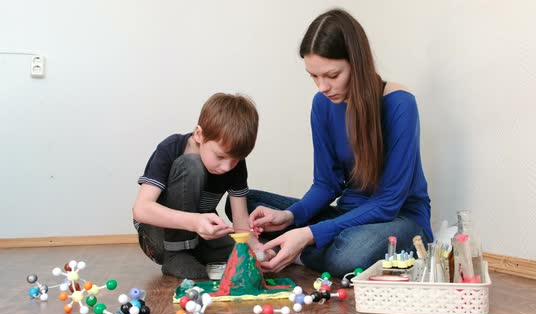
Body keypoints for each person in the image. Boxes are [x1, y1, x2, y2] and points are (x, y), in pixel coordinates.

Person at [243, 9, 432, 277]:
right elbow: (326, 184)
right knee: (246, 206)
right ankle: (300, 246)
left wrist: (308, 234)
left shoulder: (400, 104)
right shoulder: (322, 104)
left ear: (357, 64)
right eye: (313, 76)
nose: (322, 87)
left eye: (332, 76)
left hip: (400, 221)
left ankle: (294, 251)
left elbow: (388, 202)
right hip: (346, 218)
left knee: (348, 256)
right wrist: (291, 217)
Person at [132, 92, 273, 279]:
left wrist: (256, 248)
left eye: (235, 160)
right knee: (191, 165)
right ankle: (177, 254)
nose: (227, 167)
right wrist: (195, 221)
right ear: (199, 134)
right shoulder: (171, 147)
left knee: (244, 258)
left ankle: (192, 255)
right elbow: (141, 210)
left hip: (198, 237)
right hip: (158, 239)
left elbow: (240, 219)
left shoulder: (234, 164)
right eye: (220, 157)